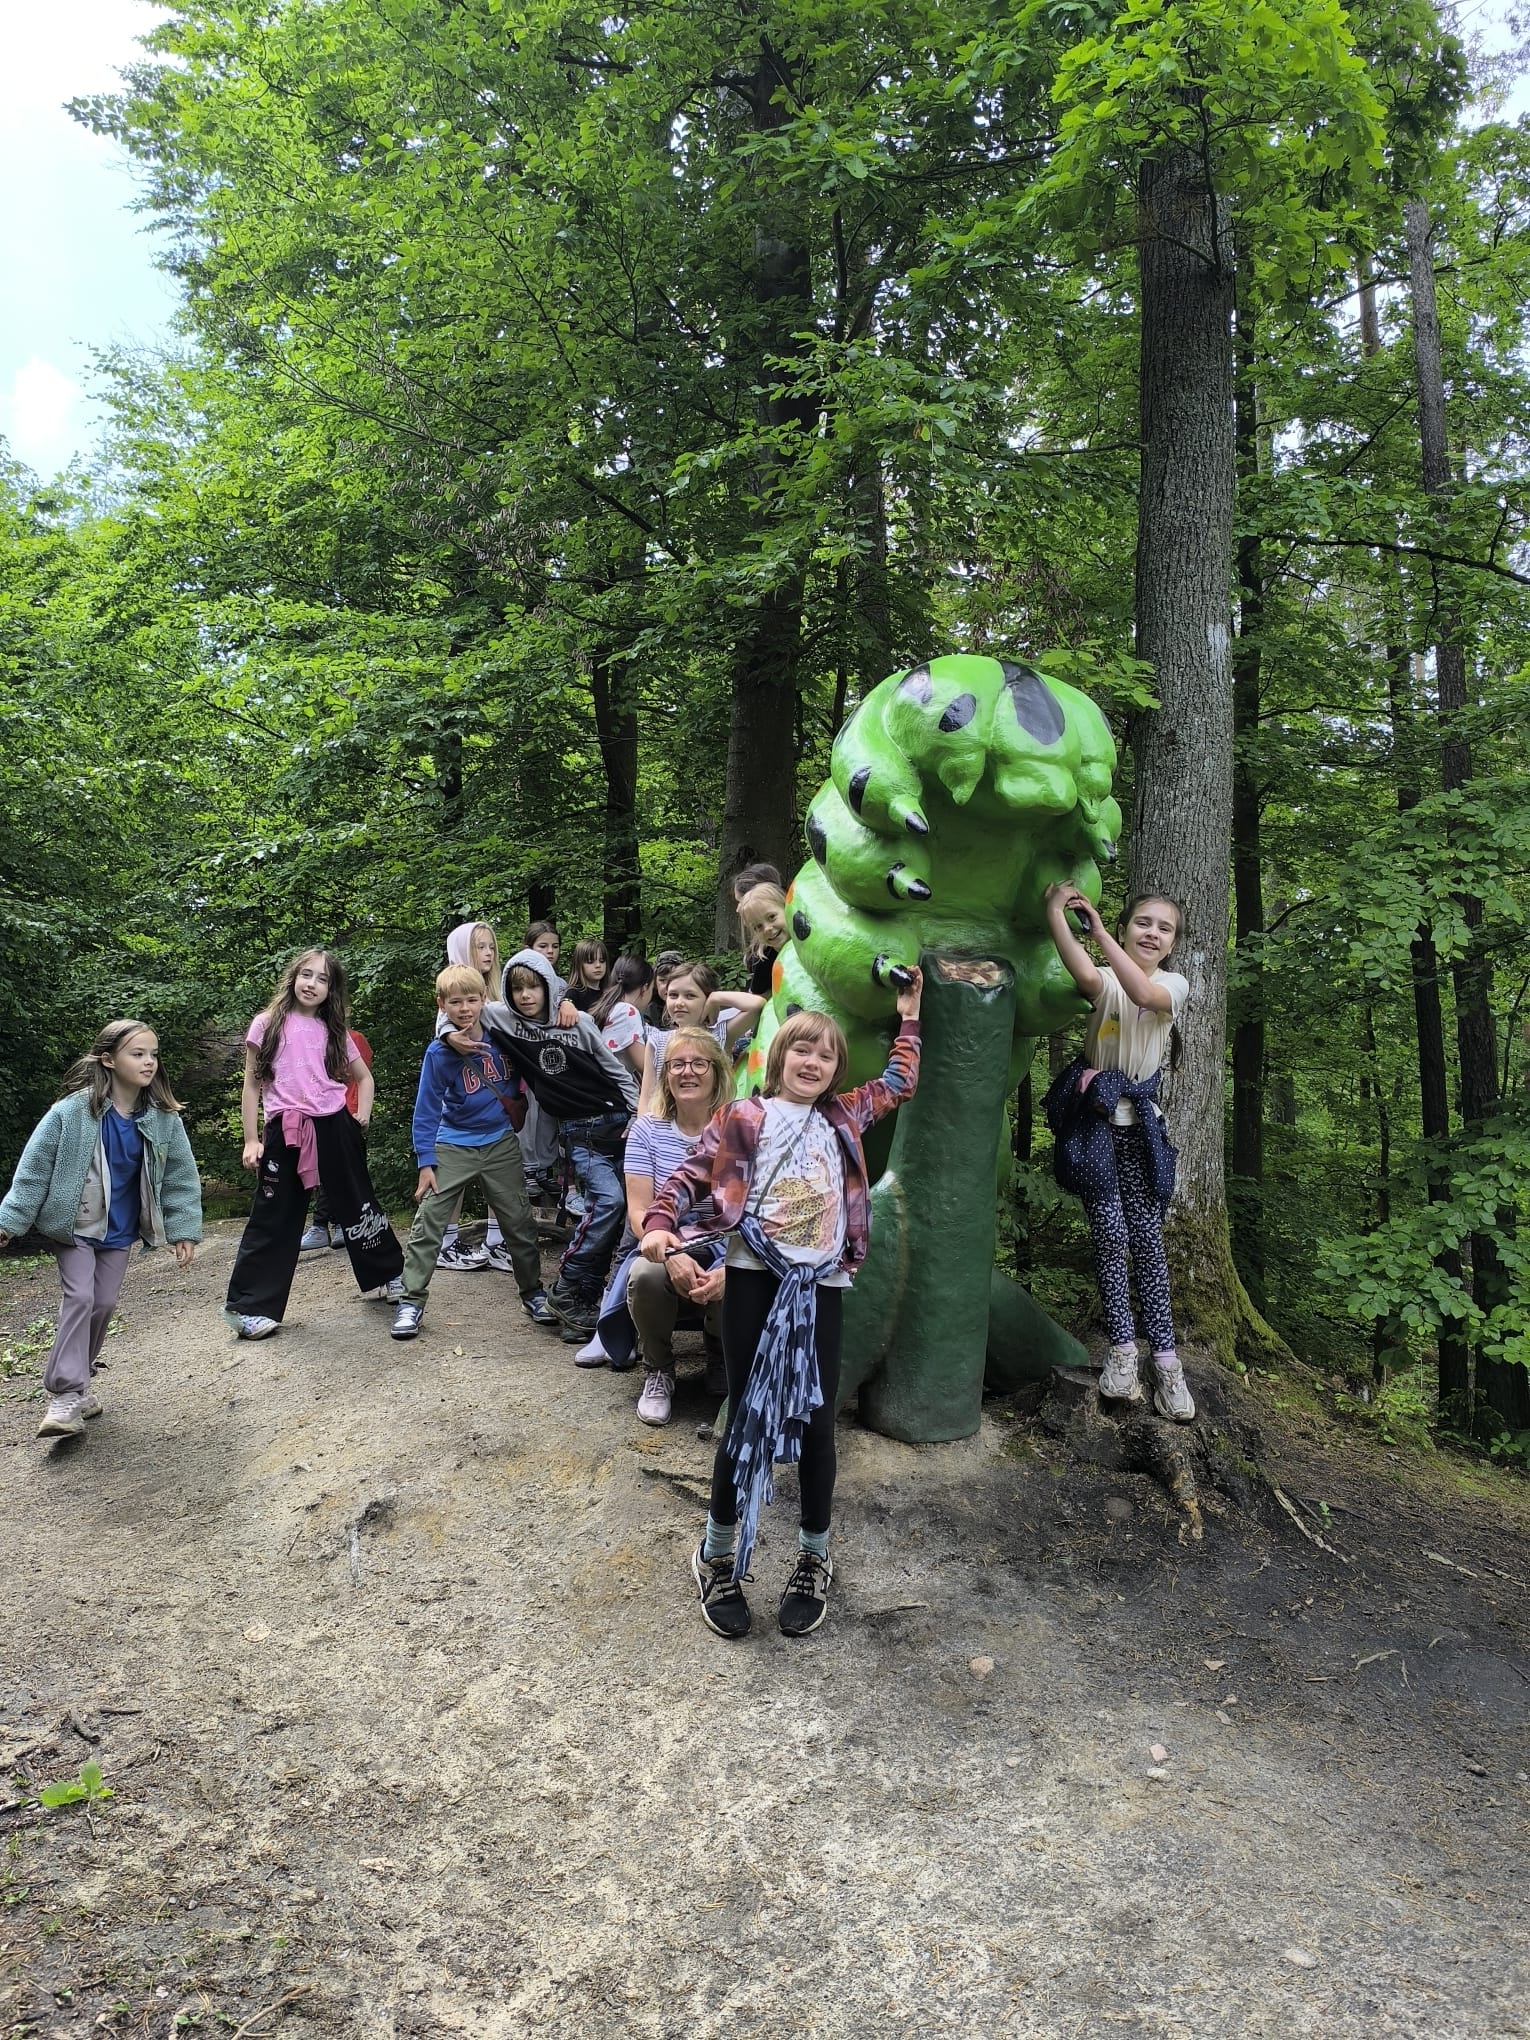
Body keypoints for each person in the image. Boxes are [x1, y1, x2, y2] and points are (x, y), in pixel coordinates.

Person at [642, 972, 923, 1640]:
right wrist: (659, 1222)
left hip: (820, 1287)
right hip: (753, 1280)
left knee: (819, 1422)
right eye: (802, 1049)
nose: (813, 1061)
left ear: (835, 1070)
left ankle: (813, 1555)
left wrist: (909, 1016)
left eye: (826, 1055)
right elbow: (688, 1175)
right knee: (746, 1415)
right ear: (778, 1057)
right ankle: (717, 1555)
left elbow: (900, 1081)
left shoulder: (843, 1116)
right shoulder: (744, 1117)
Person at [0, 1020, 202, 1440]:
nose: (148, 1062)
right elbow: (34, 1170)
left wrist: (183, 1227)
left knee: (104, 1303)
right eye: (137, 1054)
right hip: (73, 1226)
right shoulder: (72, 1112)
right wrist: (10, 1221)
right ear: (108, 1060)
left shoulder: (163, 1118)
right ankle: (65, 1393)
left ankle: (81, 1383)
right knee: (81, 1297)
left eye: (153, 1054)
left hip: (119, 1230)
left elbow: (180, 1176)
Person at [1043, 886, 1195, 1423]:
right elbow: (1085, 973)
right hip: (1097, 1129)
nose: (1152, 934)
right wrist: (1055, 912)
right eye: (1143, 923)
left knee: (1147, 1240)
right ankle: (1123, 1349)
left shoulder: (1172, 985)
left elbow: (1144, 996)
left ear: (1172, 943)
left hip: (1141, 1133)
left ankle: (1166, 1359)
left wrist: (1100, 932)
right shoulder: (1104, 979)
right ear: (1128, 927)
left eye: (1164, 928)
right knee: (1110, 1238)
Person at [224, 948, 405, 1339]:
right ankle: (251, 1307)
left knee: (358, 1201)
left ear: (331, 989)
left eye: (323, 979)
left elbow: (364, 1078)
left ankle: (389, 1274)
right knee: (274, 1214)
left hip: (335, 1124)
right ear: (293, 977)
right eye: (306, 974)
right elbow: (252, 1086)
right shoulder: (266, 1024)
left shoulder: (333, 1031)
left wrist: (361, 1116)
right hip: (285, 1129)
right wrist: (252, 1139)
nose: (312, 984)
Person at [461, 948, 639, 1337]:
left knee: (615, 1215)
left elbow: (617, 1072)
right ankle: (566, 1286)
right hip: (577, 1132)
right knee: (609, 1203)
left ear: (547, 987)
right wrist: (447, 1035)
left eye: (534, 987)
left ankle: (581, 1302)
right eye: (517, 988)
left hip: (617, 1123)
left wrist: (638, 1115)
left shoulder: (579, 1022)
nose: (526, 995)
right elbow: (458, 1007)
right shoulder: (502, 1019)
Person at [390, 966, 556, 1338]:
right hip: (454, 1143)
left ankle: (533, 1293)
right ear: (441, 1005)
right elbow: (426, 1109)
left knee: (519, 1222)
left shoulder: (503, 1037)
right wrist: (426, 1162)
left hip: (500, 1143)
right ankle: (411, 1301)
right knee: (429, 1220)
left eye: (471, 1000)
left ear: (484, 1000)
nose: (464, 1008)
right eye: (455, 1002)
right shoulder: (439, 1052)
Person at [576, 1028, 733, 1408]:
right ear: (666, 1075)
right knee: (646, 1273)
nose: (687, 1072)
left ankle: (721, 1355)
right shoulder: (647, 1129)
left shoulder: (738, 1127)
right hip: (663, 1240)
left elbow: (754, 1210)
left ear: (717, 1072)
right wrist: (673, 1254)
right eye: (677, 1064)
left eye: (699, 1063)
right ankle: (659, 1367)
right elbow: (638, 1211)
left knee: (742, 1271)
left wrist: (730, 1263)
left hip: (726, 1241)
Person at [641, 962, 765, 1108]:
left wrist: (715, 998)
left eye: (690, 996)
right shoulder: (657, 1041)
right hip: (666, 1120)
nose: (679, 1002)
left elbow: (757, 1005)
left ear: (707, 1000)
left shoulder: (719, 1035)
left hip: (715, 1120)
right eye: (673, 995)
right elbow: (647, 1097)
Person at [300, 1027, 372, 1254]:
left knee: (339, 1171)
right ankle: (337, 1225)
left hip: (347, 1112)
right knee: (327, 1171)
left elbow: (361, 1077)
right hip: (319, 1114)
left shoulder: (354, 1038)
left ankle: (326, 1225)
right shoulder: (307, 1037)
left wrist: (360, 1111)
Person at [589, 955, 656, 1088]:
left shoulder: (610, 1006)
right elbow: (645, 1066)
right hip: (610, 1092)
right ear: (645, 988)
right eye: (652, 989)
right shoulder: (627, 1012)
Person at [737, 883, 787, 998]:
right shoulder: (764, 960)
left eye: (771, 917)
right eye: (758, 927)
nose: (767, 929)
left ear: (787, 907)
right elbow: (757, 999)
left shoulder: (810, 935)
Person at [565, 938, 610, 1012]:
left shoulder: (610, 993)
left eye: (602, 961)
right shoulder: (573, 994)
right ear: (579, 965)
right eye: (590, 961)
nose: (598, 965)